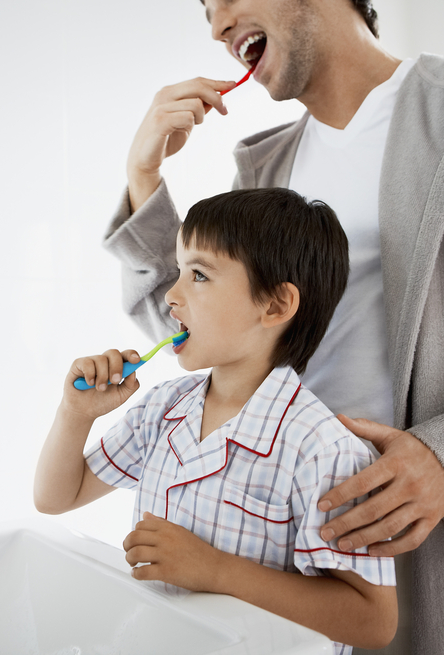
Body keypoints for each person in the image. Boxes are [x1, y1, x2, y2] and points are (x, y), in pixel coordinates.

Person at [100, 0, 444, 653]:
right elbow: (202, 337)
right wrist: (143, 174)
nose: (216, 25)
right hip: (283, 579)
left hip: (442, 570)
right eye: (204, 8)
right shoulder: (261, 175)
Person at [34, 188, 397, 653]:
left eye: (199, 275)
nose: (171, 295)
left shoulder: (322, 449)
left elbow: (374, 620)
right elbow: (54, 497)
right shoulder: (164, 409)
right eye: (180, 271)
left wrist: (215, 570)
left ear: (275, 306)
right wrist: (74, 415)